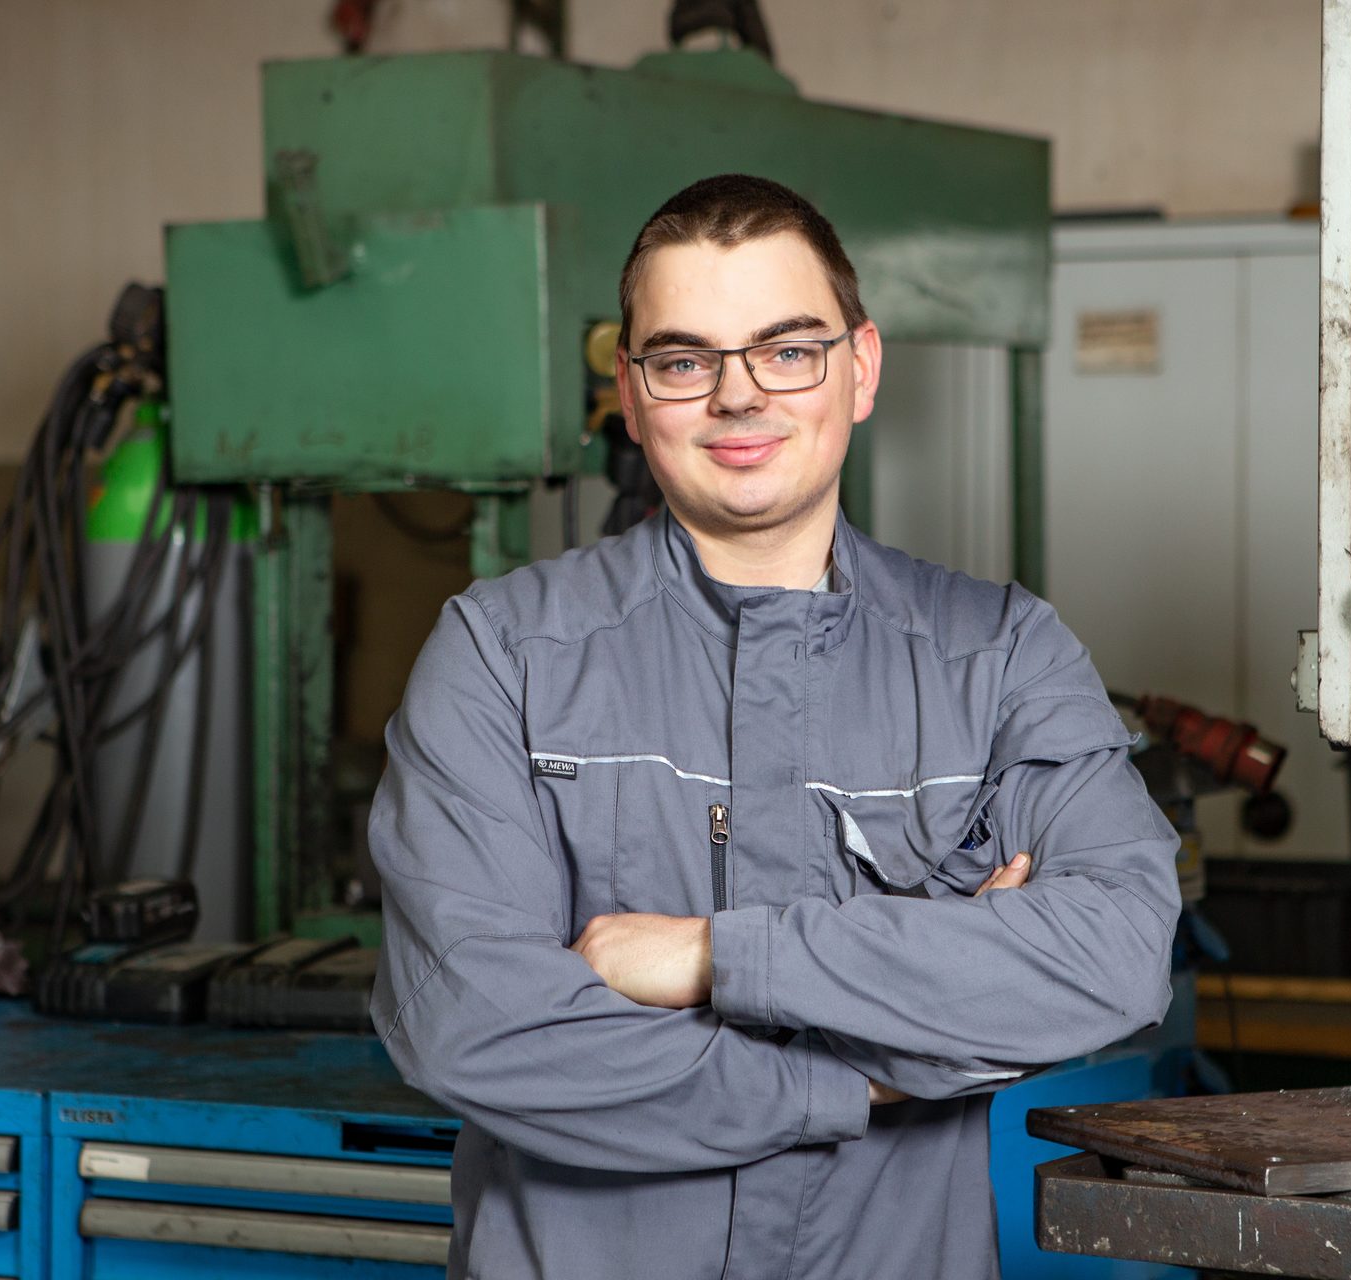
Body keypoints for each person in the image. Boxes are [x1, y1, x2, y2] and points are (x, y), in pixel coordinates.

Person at [369, 173, 1180, 1280]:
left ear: (862, 368)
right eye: (685, 359)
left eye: (788, 349)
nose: (738, 397)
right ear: (630, 387)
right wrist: (867, 1074)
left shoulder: (997, 658)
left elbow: (1116, 953)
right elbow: (472, 1023)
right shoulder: (502, 654)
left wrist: (711, 956)